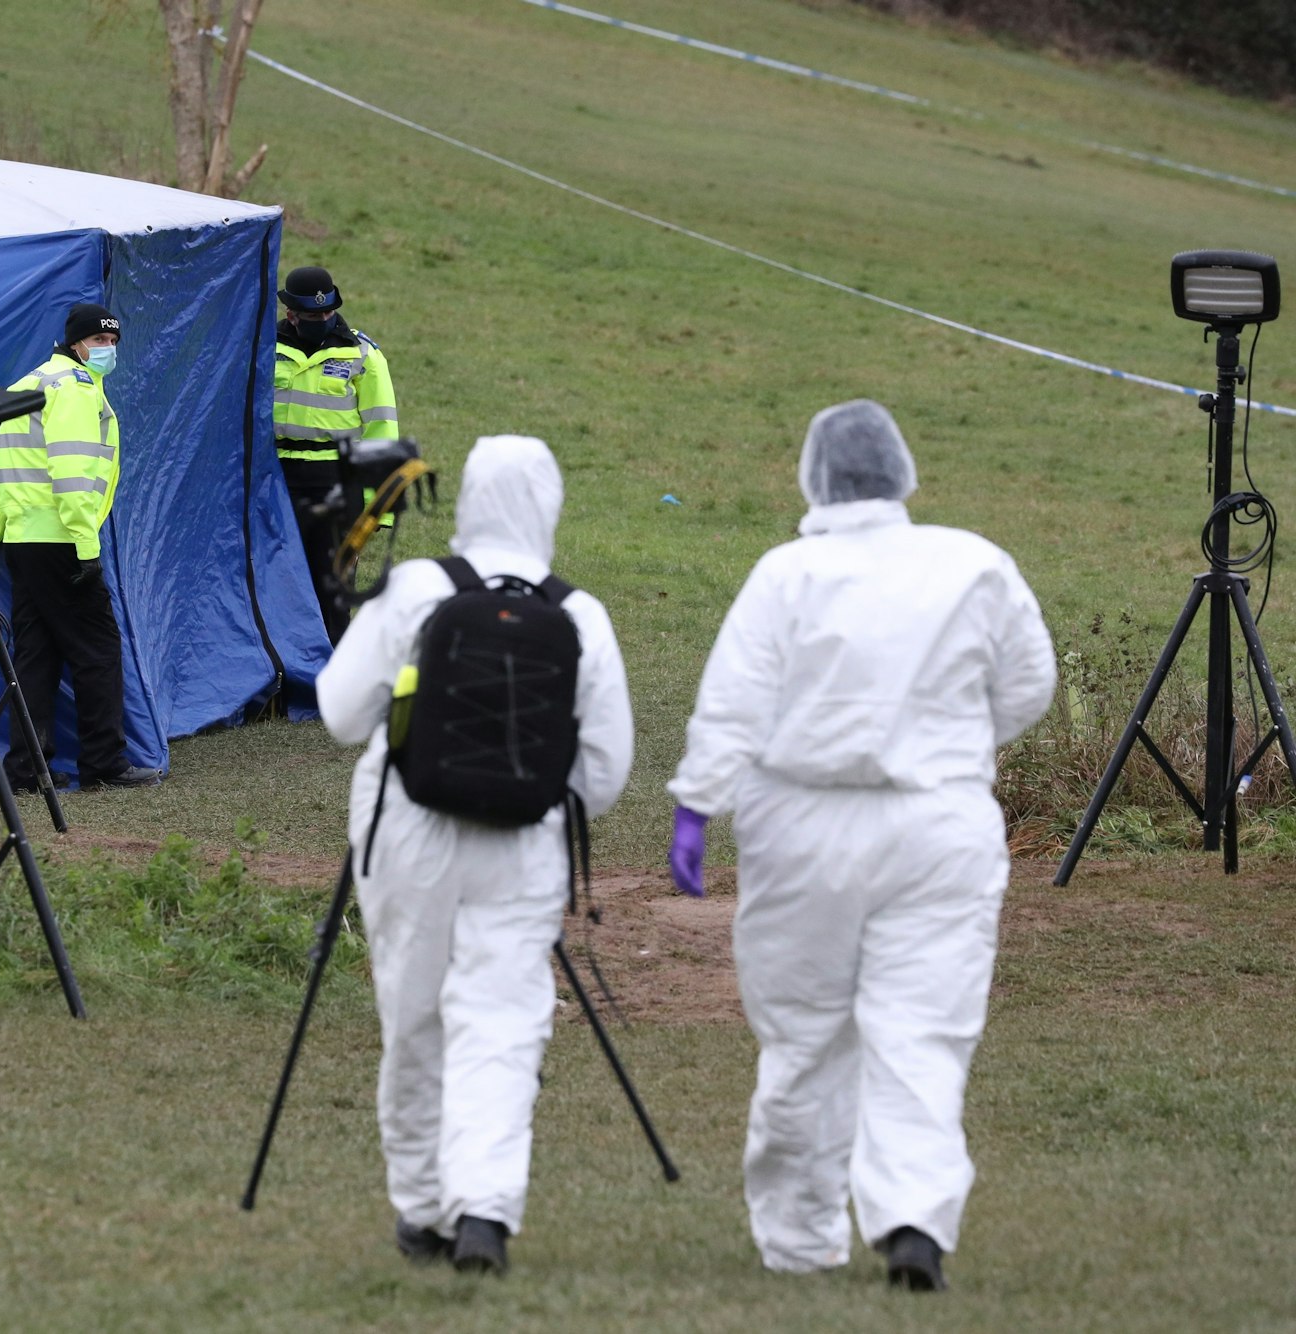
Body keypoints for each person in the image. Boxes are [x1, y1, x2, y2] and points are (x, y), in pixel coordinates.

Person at [666, 399, 1056, 1292]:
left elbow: (736, 698)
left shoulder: (787, 574)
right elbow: (1029, 681)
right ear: (903, 473)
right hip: (939, 824)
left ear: (815, 477)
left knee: (805, 1034)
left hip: (803, 826)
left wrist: (697, 804)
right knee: (922, 1029)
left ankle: (801, 1237)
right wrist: (956, 738)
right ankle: (914, 1220)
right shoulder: (973, 563)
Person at [318, 435, 633, 1275]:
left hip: (408, 832)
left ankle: (422, 1210)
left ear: (465, 501)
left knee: (413, 1013)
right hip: (524, 845)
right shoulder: (581, 614)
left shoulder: (417, 588)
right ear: (551, 506)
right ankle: (484, 1209)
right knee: (502, 1019)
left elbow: (343, 715)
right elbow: (602, 777)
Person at [0, 302, 161, 791]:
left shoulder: (31, 384)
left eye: (114, 342)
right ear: (75, 343)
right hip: (61, 539)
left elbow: (0, 475)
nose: (108, 350)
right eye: (100, 341)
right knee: (97, 650)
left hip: (22, 541)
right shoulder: (75, 391)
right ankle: (104, 763)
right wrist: (85, 547)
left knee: (36, 656)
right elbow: (72, 474)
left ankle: (26, 770)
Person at [273, 266, 400, 644]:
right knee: (275, 584)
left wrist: (381, 507)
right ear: (291, 313)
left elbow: (382, 430)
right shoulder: (265, 346)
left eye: (327, 312)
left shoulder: (363, 353)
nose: (322, 320)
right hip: (276, 479)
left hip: (335, 484)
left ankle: (331, 686)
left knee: (333, 589)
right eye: (312, 315)